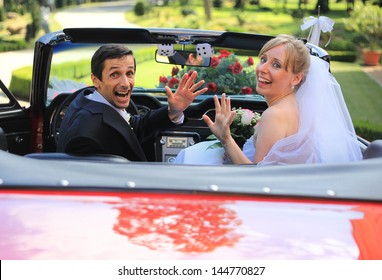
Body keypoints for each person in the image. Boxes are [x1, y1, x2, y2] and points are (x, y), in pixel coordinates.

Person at [174, 34, 362, 165]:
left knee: (190, 158)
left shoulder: (275, 115)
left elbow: (255, 178)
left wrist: (225, 138)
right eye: (263, 59)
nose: (262, 69)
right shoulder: (300, 107)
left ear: (296, 78)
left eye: (276, 64)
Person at [57, 44, 207, 161]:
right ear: (96, 80)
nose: (125, 83)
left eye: (129, 73)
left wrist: (172, 111)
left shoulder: (89, 99)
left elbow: (133, 128)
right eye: (115, 74)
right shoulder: (87, 135)